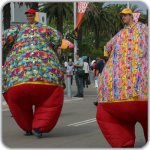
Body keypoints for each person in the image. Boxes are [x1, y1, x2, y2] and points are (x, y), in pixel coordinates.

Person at [2, 9, 64, 138]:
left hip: (17, 77)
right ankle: (36, 127)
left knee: (19, 102)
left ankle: (33, 127)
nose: (29, 17)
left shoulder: (21, 29)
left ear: (34, 16)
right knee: (48, 100)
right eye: (28, 15)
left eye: (31, 15)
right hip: (47, 76)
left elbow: (5, 39)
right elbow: (57, 39)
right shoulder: (42, 29)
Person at [96, 8, 148, 148]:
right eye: (122, 15)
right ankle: (124, 143)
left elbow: (107, 49)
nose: (123, 17)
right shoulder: (120, 34)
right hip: (117, 92)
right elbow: (107, 48)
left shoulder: (144, 30)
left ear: (132, 16)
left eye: (125, 15)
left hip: (142, 87)